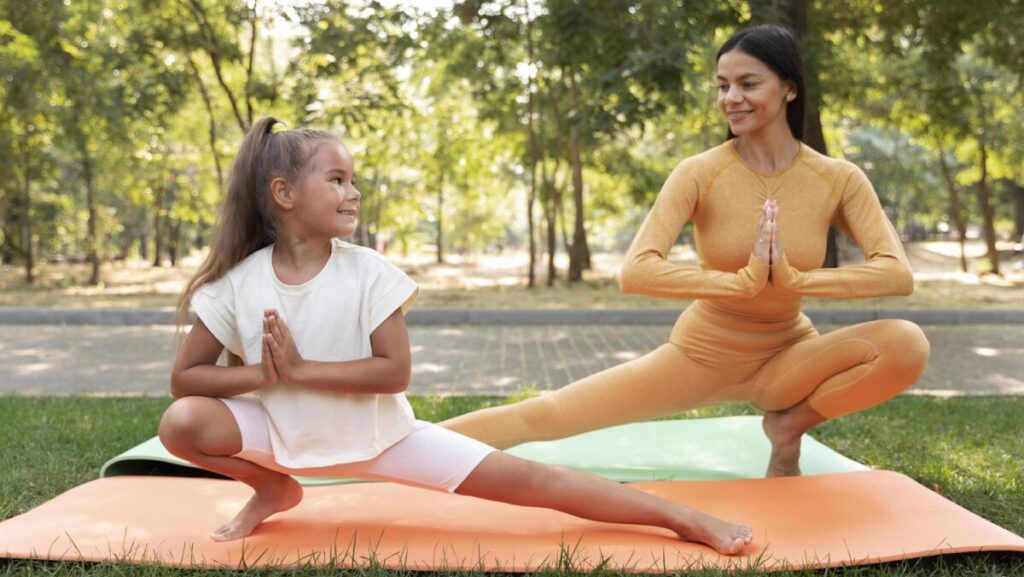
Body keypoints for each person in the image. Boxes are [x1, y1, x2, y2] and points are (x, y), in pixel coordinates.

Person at [157, 116, 753, 554]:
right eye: (336, 179)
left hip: (380, 436)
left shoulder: (369, 271)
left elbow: (394, 373)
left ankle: (680, 518)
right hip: (282, 432)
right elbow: (188, 380)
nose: (353, 192)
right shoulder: (238, 283)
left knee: (534, 482)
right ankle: (273, 490)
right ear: (284, 194)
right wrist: (263, 376)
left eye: (353, 179)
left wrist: (302, 369)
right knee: (181, 424)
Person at [441, 24, 930, 478]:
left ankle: (787, 428)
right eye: (723, 86)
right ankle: (390, 453)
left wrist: (795, 280)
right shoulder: (700, 171)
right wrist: (740, 281)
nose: (731, 98)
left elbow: (895, 274)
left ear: (789, 88)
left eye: (748, 84)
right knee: (543, 416)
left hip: (787, 357)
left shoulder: (837, 178)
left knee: (905, 343)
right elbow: (637, 271)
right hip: (700, 354)